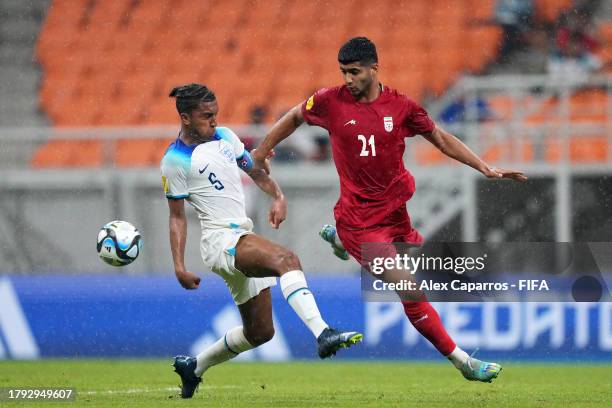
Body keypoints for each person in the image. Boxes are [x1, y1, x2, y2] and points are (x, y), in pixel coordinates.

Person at [253, 37, 527, 383]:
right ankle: (463, 362)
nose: (348, 79)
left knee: (409, 275)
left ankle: (337, 240)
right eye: (344, 72)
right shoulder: (329, 101)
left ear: (374, 68)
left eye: (354, 72)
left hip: (396, 214)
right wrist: (262, 152)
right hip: (360, 223)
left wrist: (484, 167)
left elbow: (439, 137)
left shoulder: (401, 107)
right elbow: (294, 116)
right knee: (410, 288)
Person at [160, 84, 362, 399]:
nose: (214, 121)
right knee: (287, 260)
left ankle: (194, 367)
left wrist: (278, 195)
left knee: (260, 332)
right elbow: (177, 216)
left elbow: (253, 169)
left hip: (242, 235)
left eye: (215, 114)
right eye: (206, 116)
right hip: (219, 240)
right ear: (185, 117)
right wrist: (178, 266)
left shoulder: (225, 136)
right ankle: (323, 333)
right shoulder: (175, 160)